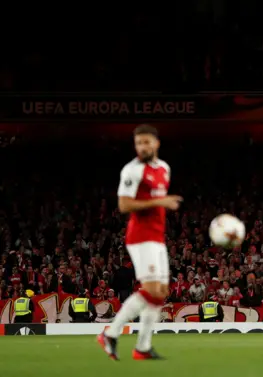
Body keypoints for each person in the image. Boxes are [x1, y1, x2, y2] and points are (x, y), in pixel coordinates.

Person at [98, 124, 182, 361]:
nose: (143, 147)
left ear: (156, 143)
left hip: (157, 236)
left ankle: (143, 347)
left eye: (147, 142)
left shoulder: (164, 168)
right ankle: (111, 333)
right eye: (138, 143)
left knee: (161, 293)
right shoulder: (132, 170)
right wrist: (160, 203)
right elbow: (124, 205)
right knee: (152, 291)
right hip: (140, 236)